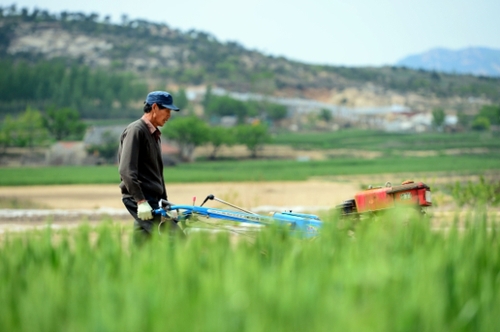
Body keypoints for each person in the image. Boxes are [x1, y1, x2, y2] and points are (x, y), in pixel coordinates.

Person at [118, 91, 184, 244]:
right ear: (154, 107)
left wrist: (166, 204)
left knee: (143, 244)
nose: (169, 115)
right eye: (166, 110)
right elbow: (126, 171)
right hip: (143, 199)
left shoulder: (153, 134)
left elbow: (157, 174)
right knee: (177, 240)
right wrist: (141, 201)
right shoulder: (136, 131)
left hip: (154, 200)